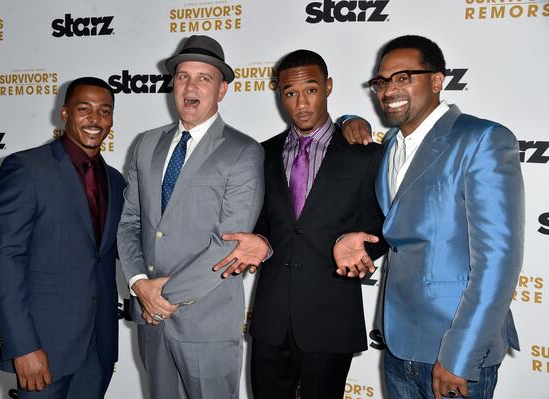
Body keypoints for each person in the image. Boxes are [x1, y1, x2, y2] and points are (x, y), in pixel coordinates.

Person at [336, 35, 524, 399]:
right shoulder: (390, 144)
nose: (389, 89)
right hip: (397, 344)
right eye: (382, 81)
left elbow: (498, 262)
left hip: (453, 350)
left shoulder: (482, 139)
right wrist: (347, 119)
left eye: (403, 77)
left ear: (437, 81)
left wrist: (461, 356)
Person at [214, 49, 387, 399]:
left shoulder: (366, 153)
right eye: (290, 93)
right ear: (279, 94)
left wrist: (362, 245)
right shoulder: (261, 153)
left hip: (330, 318)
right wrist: (261, 239)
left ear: (328, 87)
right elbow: (263, 220)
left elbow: (385, 223)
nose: (301, 103)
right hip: (270, 319)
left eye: (311, 90)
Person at [116, 35, 264, 399]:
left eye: (203, 77)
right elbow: (129, 221)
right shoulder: (146, 143)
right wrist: (138, 283)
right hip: (151, 321)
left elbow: (229, 245)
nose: (191, 86)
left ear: (222, 89)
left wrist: (160, 296)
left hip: (206, 324)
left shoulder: (243, 151)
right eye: (183, 76)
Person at [0, 77, 125, 398]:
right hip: (42, 349)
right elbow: (4, 259)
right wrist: (23, 346)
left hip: (98, 349)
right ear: (64, 113)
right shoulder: (26, 168)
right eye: (84, 109)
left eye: (104, 111)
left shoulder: (116, 181)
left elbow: (116, 251)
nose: (95, 119)